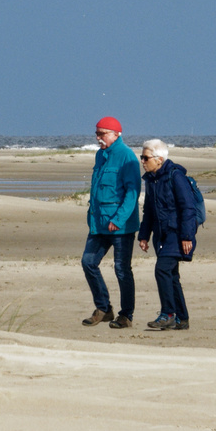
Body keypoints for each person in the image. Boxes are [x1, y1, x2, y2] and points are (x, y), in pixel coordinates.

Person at [80, 116, 142, 328]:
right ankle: (104, 308)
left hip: (120, 226)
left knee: (122, 269)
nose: (98, 138)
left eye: (102, 133)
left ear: (116, 134)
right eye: (96, 133)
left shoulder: (127, 157)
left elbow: (133, 193)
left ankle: (126, 316)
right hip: (98, 224)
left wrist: (119, 219)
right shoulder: (100, 155)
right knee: (88, 262)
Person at [137, 139, 196, 330]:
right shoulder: (152, 180)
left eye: (145, 158)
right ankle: (182, 318)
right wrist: (144, 236)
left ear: (159, 159)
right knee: (171, 275)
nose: (143, 161)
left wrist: (187, 236)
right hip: (161, 235)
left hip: (177, 234)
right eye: (142, 157)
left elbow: (188, 208)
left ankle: (168, 314)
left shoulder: (175, 176)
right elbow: (149, 211)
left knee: (162, 270)